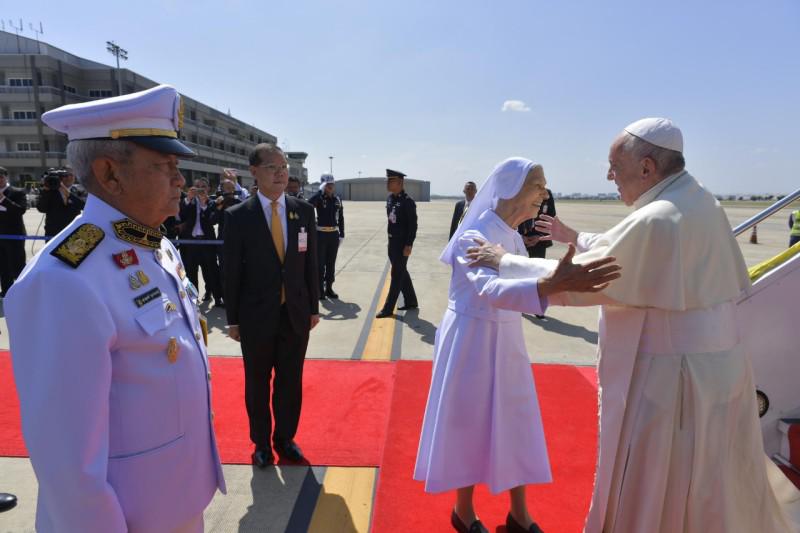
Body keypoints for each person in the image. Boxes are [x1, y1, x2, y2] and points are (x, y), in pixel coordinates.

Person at [468, 118, 800, 532]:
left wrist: (504, 262)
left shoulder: (659, 218)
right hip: (713, 374)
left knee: (665, 490)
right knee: (713, 487)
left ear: (647, 168)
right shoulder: (697, 200)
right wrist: (574, 234)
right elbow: (628, 247)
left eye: (614, 165)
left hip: (676, 383)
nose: (609, 175)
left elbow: (583, 278)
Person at [5, 84, 225, 532]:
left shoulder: (155, 244)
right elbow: (69, 467)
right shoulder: (64, 280)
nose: (180, 179)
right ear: (110, 174)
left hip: (176, 501)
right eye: (165, 165)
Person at [415, 157, 621, 533]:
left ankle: (519, 516)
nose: (544, 193)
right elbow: (489, 289)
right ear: (510, 189)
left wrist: (560, 284)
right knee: (469, 423)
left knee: (515, 420)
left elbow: (519, 282)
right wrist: (551, 285)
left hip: (506, 336)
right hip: (471, 339)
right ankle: (463, 512)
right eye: (537, 185)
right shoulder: (472, 233)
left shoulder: (510, 236)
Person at [223, 143, 320, 467]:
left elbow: (311, 264)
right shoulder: (238, 217)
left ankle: (286, 438)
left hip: (294, 313)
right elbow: (231, 271)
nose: (280, 174)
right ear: (254, 172)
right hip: (255, 317)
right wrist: (233, 319)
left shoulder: (303, 211)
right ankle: (261, 442)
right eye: (272, 167)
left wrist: (313, 307)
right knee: (257, 382)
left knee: (290, 382)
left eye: (284, 168)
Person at [376, 169, 419, 318]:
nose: (388, 183)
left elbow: (413, 225)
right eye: (387, 181)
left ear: (400, 182)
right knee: (401, 271)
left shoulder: (408, 202)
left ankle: (388, 308)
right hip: (391, 242)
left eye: (391, 181)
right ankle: (411, 300)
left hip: (402, 244)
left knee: (396, 274)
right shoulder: (390, 199)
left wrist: (409, 244)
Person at [178, 177, 224, 307]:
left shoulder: (212, 203)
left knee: (211, 271)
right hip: (190, 243)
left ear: (208, 189)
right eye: (197, 186)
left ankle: (216, 297)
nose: (200, 188)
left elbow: (213, 221)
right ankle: (193, 298)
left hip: (207, 242)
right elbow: (181, 215)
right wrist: (189, 199)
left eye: (203, 186)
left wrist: (204, 205)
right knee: (191, 271)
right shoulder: (187, 202)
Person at [309, 173, 344, 299]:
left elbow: (341, 217)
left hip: (333, 235)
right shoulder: (319, 198)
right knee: (320, 264)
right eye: (327, 185)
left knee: (331, 264)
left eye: (332, 184)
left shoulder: (337, 199)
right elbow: (308, 205)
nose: (330, 187)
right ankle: (320, 290)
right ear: (323, 185)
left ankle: (329, 288)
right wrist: (319, 191)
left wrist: (342, 234)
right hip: (321, 235)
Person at [36, 166, 86, 237]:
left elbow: (84, 206)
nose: (69, 177)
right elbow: (41, 208)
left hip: (74, 233)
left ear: (75, 177)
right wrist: (46, 190)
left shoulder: (79, 191)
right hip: (54, 234)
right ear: (60, 177)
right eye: (65, 175)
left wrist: (67, 192)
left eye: (71, 175)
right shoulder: (49, 191)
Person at [0, 167, 27, 296]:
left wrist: (3, 199)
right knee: (3, 267)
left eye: (1, 177)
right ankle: (6, 292)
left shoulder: (17, 192)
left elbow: (20, 210)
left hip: (14, 236)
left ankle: (23, 291)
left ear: (6, 177)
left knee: (17, 265)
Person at [517, 189, 555, 259]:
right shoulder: (517, 191)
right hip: (517, 239)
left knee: (537, 267)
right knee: (516, 267)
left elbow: (551, 217)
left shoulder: (546, 193)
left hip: (539, 240)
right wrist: (519, 236)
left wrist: (540, 236)